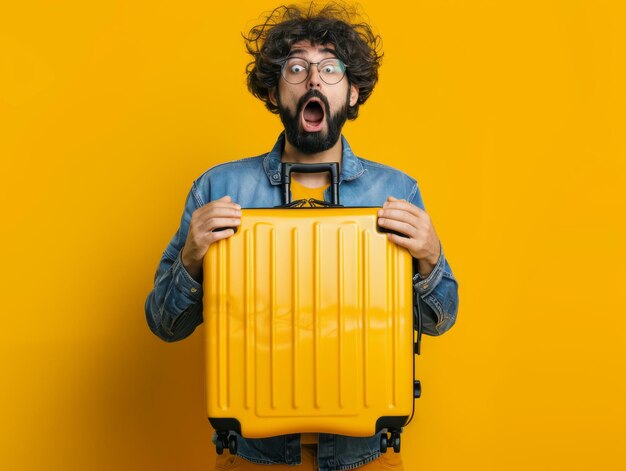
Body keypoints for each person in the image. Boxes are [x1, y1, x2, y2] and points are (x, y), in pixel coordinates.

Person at [145, 3, 459, 470]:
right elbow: (164, 325)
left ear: (352, 93)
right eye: (296, 68)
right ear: (274, 91)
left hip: (365, 456)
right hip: (254, 457)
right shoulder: (218, 189)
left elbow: (440, 320)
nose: (314, 80)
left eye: (330, 68)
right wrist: (191, 260)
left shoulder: (395, 192)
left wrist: (431, 260)